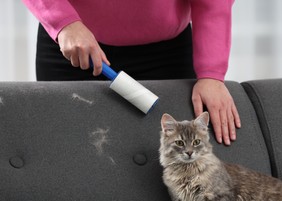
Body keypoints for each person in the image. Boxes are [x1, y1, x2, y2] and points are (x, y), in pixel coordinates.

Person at [22, 0, 241, 145]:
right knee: (68, 152)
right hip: (73, 45)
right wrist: (62, 22)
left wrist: (212, 74)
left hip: (167, 54)